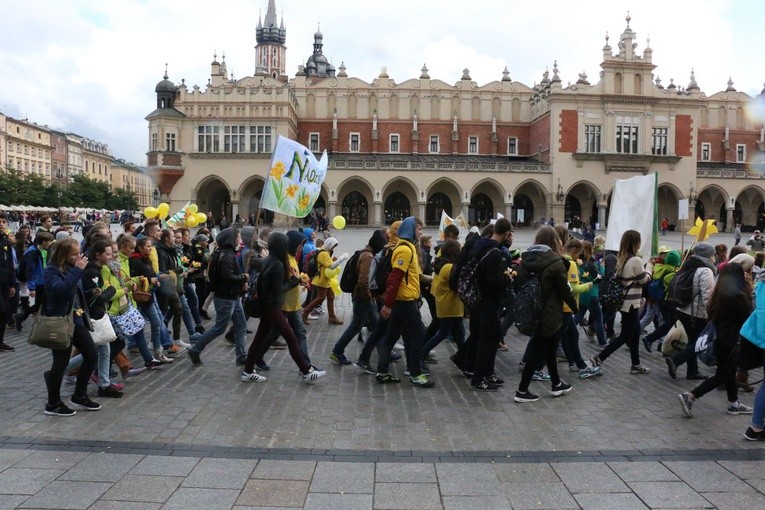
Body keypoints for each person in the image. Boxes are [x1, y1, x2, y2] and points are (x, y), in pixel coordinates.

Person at [242, 232, 326, 382]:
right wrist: (294, 281)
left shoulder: (270, 260)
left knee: (259, 339)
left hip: (267, 306)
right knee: (291, 338)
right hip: (272, 308)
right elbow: (278, 289)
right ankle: (306, 371)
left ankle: (248, 371)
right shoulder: (278, 264)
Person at [677, 263, 753, 418]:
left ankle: (734, 403)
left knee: (728, 372)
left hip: (719, 337)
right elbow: (748, 317)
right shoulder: (738, 295)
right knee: (723, 374)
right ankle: (691, 395)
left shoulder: (719, 293)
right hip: (731, 340)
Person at [515, 226, 577, 403]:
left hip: (532, 310)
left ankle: (556, 384)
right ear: (555, 241)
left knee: (550, 348)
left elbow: (519, 283)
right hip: (549, 312)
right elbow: (565, 291)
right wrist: (575, 307)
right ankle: (522, 390)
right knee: (537, 350)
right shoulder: (555, 262)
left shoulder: (526, 260)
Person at [43, 237, 100, 416]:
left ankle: (79, 395)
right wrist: (77, 270)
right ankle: (53, 404)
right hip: (60, 321)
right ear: (64, 254)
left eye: (78, 254)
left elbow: (74, 292)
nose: (78, 257)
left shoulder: (71, 269)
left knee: (91, 354)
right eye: (74, 254)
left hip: (76, 319)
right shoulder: (52, 270)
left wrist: (91, 293)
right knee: (60, 362)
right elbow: (60, 289)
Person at [376, 216, 435, 388]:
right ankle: (415, 373)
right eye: (418, 229)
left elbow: (416, 276)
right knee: (418, 334)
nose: (420, 233)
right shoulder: (405, 250)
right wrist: (388, 303)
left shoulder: (408, 248)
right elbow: (395, 277)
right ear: (410, 230)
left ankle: (383, 372)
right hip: (405, 301)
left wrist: (435, 280)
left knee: (391, 337)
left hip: (403, 300)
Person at [589, 229, 652, 374]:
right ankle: (599, 357)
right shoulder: (636, 260)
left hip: (626, 302)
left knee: (635, 333)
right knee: (625, 335)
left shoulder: (623, 258)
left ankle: (635, 365)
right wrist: (649, 268)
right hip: (630, 303)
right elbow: (644, 280)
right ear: (636, 242)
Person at [188, 228, 249, 366]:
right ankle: (195, 349)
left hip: (233, 297)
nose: (239, 239)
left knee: (241, 326)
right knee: (219, 328)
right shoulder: (227, 255)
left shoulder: (225, 253)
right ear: (231, 239)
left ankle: (241, 356)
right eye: (238, 237)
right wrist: (243, 278)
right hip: (226, 298)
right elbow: (227, 276)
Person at [330, 230, 387, 365]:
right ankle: (337, 351)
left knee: (375, 325)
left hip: (362, 297)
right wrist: (370, 297)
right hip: (363, 297)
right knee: (357, 326)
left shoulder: (365, 252)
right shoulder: (368, 256)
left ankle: (385, 352)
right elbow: (363, 281)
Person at [666, 242, 717, 381]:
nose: (714, 257)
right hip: (697, 313)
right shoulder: (706, 270)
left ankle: (692, 371)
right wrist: (712, 314)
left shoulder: (688, 265)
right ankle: (676, 360)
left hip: (682, 309)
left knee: (693, 340)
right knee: (701, 342)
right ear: (707, 255)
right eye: (713, 254)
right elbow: (708, 296)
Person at [560, 238, 601, 378]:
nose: (579, 257)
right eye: (578, 253)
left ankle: (575, 364)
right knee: (560, 338)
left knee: (569, 336)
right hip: (566, 306)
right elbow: (573, 288)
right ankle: (536, 366)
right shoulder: (570, 263)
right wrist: (588, 285)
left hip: (562, 305)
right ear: (573, 250)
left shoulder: (561, 259)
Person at [421, 239, 465, 357]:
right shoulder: (449, 267)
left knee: (460, 334)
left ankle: (464, 360)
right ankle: (420, 354)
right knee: (442, 334)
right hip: (450, 306)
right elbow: (456, 285)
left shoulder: (444, 265)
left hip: (449, 306)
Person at [13, 231, 54, 332]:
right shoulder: (33, 252)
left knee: (42, 303)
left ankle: (23, 317)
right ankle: (21, 317)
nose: (50, 244)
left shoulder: (36, 250)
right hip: (38, 282)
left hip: (40, 280)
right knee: (39, 304)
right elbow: (29, 271)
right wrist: (31, 288)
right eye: (49, 242)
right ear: (44, 242)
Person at [301, 237, 344, 325]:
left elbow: (325, 264)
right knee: (320, 298)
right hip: (321, 280)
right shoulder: (323, 253)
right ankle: (305, 313)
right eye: (333, 246)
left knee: (331, 296)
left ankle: (332, 317)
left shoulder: (325, 251)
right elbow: (331, 266)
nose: (333, 248)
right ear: (329, 244)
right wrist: (341, 259)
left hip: (325, 279)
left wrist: (332, 260)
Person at [0, 213, 17, 351]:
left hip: (5, 281)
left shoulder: (5, 240)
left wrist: (12, 283)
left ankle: (1, 342)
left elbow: (10, 263)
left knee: (5, 312)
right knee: (2, 309)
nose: (1, 224)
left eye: (3, 221)